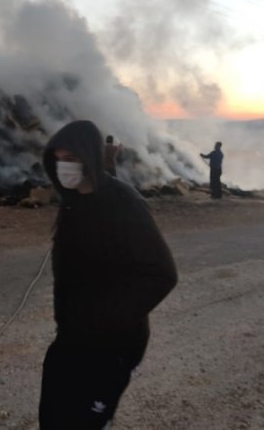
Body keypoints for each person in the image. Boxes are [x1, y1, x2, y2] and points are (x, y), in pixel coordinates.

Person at [39, 120, 178, 429]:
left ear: (88, 158)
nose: (64, 167)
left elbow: (162, 274)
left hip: (111, 346)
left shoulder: (125, 204)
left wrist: (105, 321)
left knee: (85, 422)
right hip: (72, 338)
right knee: (53, 417)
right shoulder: (75, 201)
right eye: (59, 160)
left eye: (72, 159)